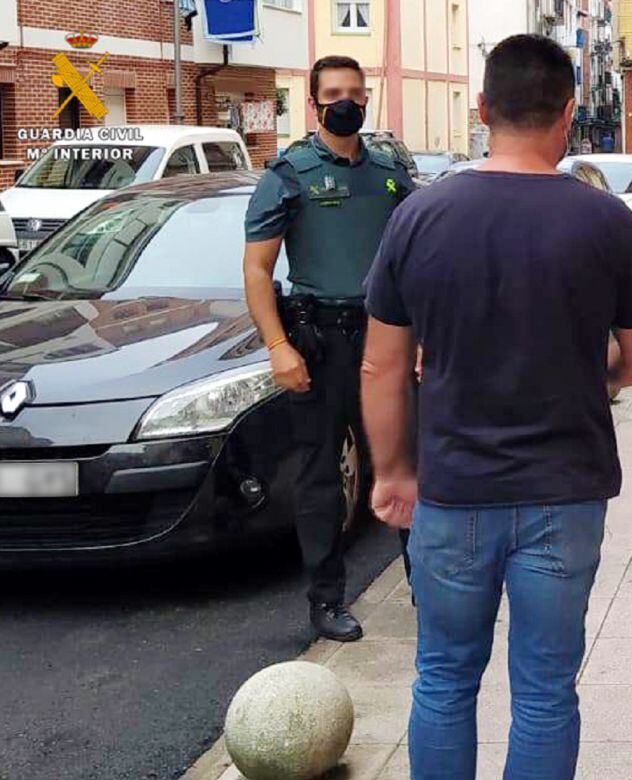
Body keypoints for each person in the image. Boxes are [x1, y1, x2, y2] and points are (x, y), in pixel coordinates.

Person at [361, 34, 632, 780]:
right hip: (565, 490)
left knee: (444, 677)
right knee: (544, 691)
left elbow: (381, 364)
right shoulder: (605, 220)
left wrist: (393, 471)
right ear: (567, 113)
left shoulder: (420, 216)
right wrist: (590, 375)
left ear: (482, 109)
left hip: (454, 487)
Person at [243, 55, 414, 642]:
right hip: (319, 342)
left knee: (403, 462)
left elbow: (415, 260)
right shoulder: (289, 175)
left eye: (354, 93)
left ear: (366, 100)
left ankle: (428, 584)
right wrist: (277, 346)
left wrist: (422, 337)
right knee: (320, 476)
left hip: (386, 336)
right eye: (333, 92)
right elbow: (257, 270)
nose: (346, 102)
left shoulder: (390, 173)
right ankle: (326, 600)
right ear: (314, 103)